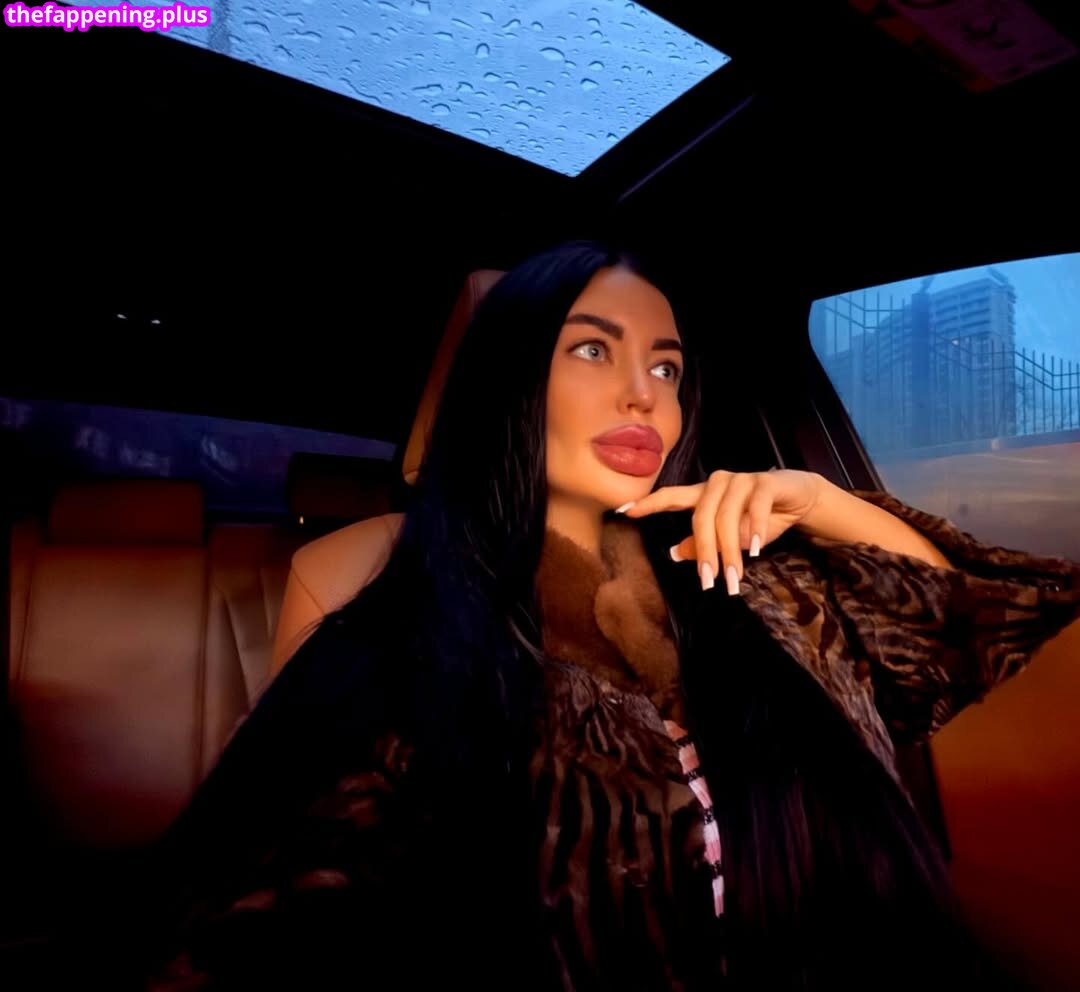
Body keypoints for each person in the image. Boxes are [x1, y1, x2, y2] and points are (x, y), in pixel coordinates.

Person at [133, 240, 1080, 990]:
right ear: (509, 382)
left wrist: (823, 502)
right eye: (593, 349)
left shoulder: (750, 575)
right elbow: (259, 923)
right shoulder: (397, 639)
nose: (644, 393)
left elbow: (972, 626)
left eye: (666, 368)